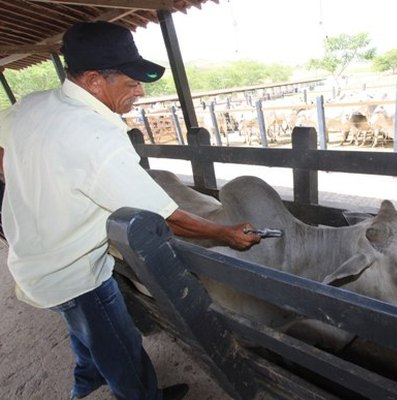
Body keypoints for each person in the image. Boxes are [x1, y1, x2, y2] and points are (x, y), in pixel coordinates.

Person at [0, 21, 261, 400]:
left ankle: (85, 381)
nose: (140, 90)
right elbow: (164, 216)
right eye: (130, 81)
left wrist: (39, 183)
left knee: (82, 329)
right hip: (74, 274)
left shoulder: (29, 105)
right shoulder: (97, 138)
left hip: (30, 260)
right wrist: (226, 233)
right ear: (93, 80)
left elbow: (4, 159)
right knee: (119, 345)